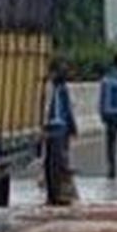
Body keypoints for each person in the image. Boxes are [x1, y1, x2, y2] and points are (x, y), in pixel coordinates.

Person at [44, 61, 78, 204]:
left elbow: (68, 109)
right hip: (53, 128)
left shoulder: (61, 89)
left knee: (58, 162)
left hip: (59, 128)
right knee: (53, 163)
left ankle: (58, 193)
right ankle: (54, 193)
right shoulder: (49, 88)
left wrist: (72, 127)